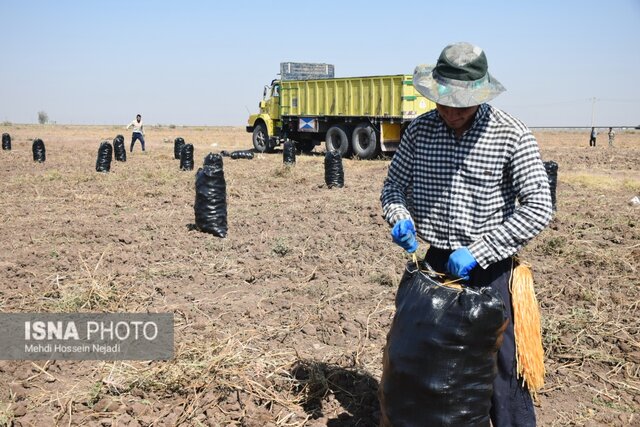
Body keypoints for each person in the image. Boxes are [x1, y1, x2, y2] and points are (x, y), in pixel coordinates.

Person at [380, 42, 553, 427]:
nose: (450, 111)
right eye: (444, 101)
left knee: (504, 372)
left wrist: (481, 249)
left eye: (461, 104)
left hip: (490, 272)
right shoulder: (419, 132)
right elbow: (393, 187)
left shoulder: (511, 134)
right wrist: (399, 217)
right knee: (426, 362)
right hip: (436, 266)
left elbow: (540, 206)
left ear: (480, 93)